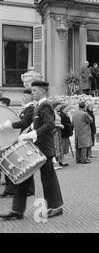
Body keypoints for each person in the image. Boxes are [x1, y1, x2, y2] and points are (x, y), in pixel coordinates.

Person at [0, 80, 64, 220]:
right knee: (23, 178)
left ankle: (55, 207)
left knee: (48, 179)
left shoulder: (45, 105)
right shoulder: (38, 106)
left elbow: (49, 125)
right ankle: (17, 211)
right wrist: (13, 126)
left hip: (44, 149)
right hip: (35, 148)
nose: (32, 93)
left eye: (34, 90)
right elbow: (29, 123)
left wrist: (32, 134)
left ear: (42, 91)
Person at [0, 91, 35, 198]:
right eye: (23, 95)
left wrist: (9, 125)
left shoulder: (31, 108)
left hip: (24, 139)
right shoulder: (26, 108)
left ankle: (28, 189)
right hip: (18, 139)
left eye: (25, 96)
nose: (23, 97)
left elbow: (24, 123)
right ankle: (11, 189)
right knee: (14, 165)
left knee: (24, 165)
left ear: (31, 96)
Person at [52, 101, 67, 169]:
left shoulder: (57, 113)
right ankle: (55, 163)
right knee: (56, 146)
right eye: (59, 106)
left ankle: (59, 161)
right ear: (56, 106)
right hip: (55, 130)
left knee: (59, 146)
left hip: (58, 130)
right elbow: (51, 122)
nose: (60, 107)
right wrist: (59, 125)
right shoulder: (53, 113)